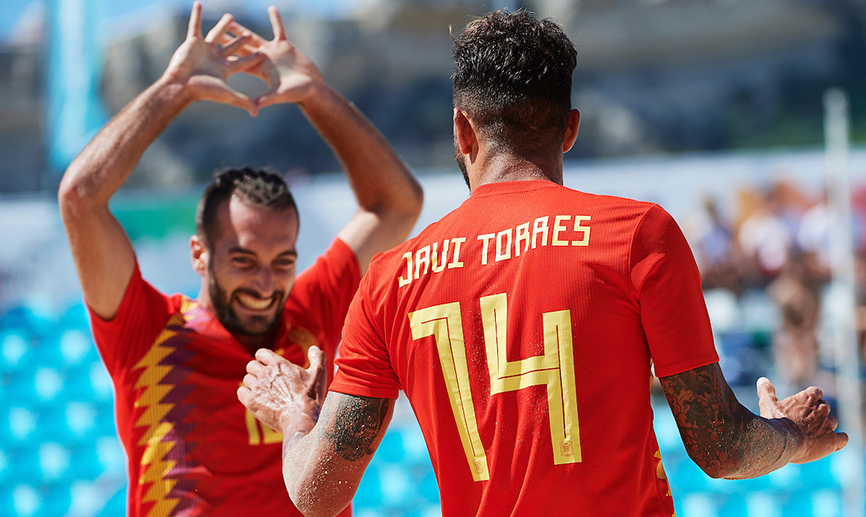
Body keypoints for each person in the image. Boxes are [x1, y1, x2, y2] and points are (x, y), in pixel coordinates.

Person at [237, 9, 847, 517]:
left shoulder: (390, 280)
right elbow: (721, 447)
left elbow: (317, 492)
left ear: (461, 133)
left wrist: (297, 414)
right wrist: (792, 436)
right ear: (571, 129)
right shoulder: (637, 235)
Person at [57, 3, 422, 516]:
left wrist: (314, 94)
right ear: (199, 255)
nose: (267, 283)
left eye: (283, 260)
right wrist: (174, 88)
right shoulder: (148, 329)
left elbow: (397, 203)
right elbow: (80, 198)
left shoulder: (311, 308)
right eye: (244, 260)